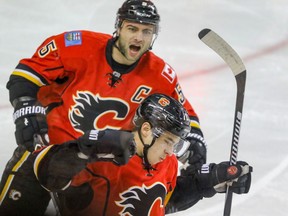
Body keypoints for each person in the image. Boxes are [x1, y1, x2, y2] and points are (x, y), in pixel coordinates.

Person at [0, 1, 208, 215]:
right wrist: (25, 109)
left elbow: (184, 114)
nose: (139, 37)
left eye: (147, 31)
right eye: (132, 28)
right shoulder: (77, 45)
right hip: (50, 151)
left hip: (98, 171)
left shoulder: (161, 75)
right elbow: (27, 73)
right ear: (118, 27)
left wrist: (196, 141)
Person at [33, 93, 252, 216]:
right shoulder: (103, 157)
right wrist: (81, 151)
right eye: (167, 141)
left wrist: (205, 183)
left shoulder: (167, 164)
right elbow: (46, 175)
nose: (170, 151)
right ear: (146, 130)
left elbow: (163, 202)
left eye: (174, 144)